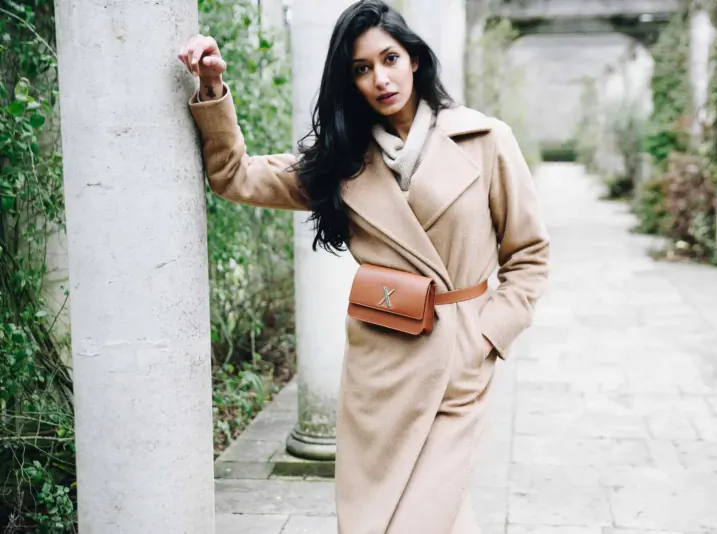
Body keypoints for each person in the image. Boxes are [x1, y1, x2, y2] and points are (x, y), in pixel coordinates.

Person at [178, 0, 549, 532]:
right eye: (361, 68)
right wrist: (212, 88)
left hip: (459, 360)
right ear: (348, 81)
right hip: (382, 366)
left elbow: (530, 254)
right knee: (380, 520)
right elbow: (233, 175)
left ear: (415, 60)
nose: (381, 78)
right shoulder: (338, 163)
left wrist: (486, 337)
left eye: (390, 58)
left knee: (423, 518)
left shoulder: (486, 141)